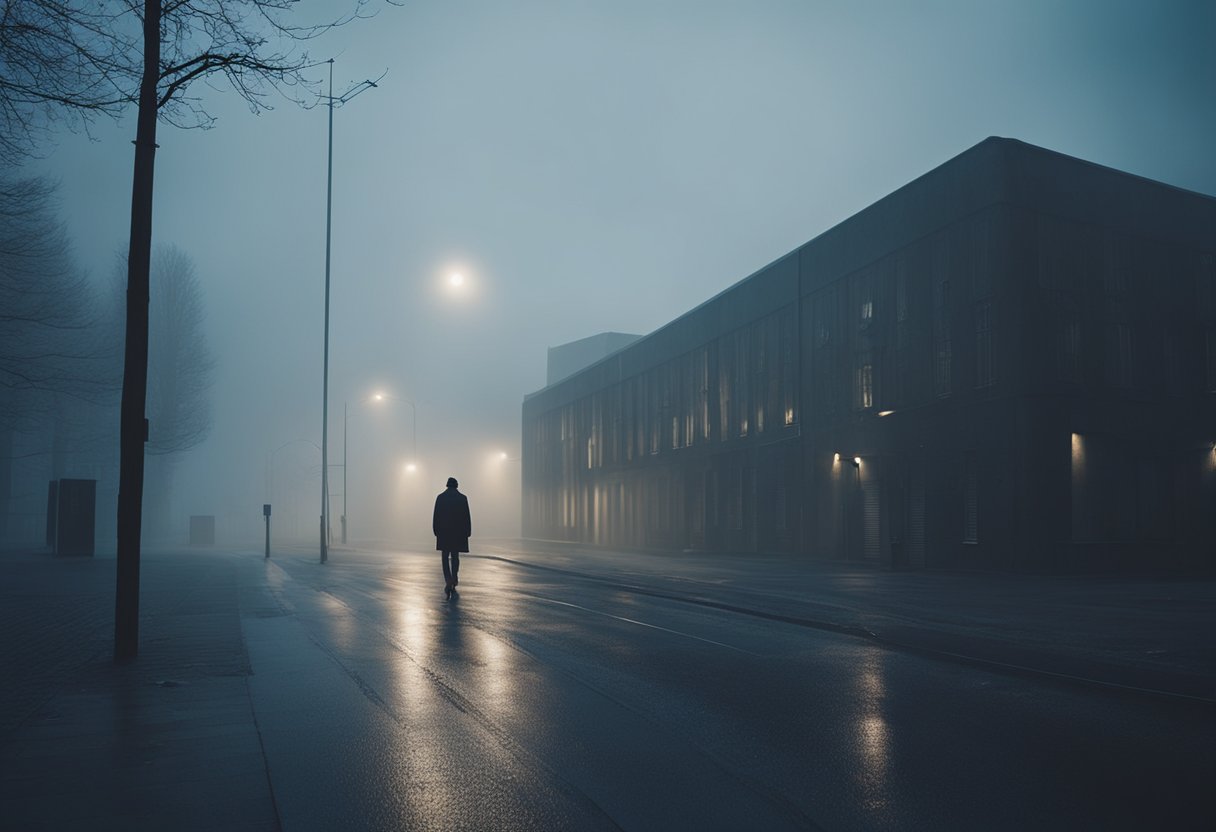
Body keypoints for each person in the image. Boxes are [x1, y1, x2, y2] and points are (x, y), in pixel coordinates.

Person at [433, 476, 471, 598]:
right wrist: (468, 531)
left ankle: (448, 580)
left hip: (444, 532)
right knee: (455, 556)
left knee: (445, 557)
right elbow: (466, 517)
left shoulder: (440, 498)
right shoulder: (462, 498)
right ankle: (454, 577)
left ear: (447, 485)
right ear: (456, 486)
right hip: (458, 532)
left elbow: (436, 516)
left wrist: (436, 530)